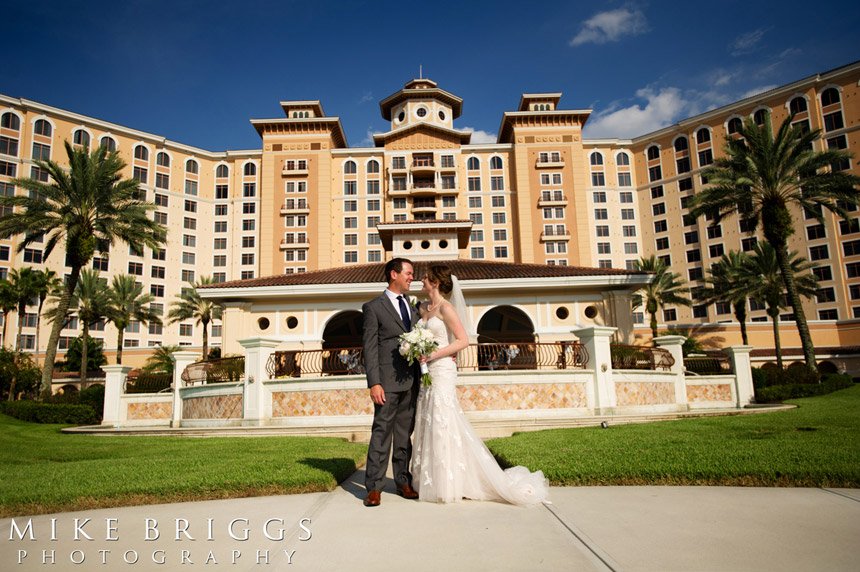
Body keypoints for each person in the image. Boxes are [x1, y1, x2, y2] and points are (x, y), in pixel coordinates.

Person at [412, 264, 550, 506]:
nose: (421, 280)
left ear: (435, 282)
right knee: (427, 419)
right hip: (426, 371)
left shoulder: (446, 308)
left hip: (442, 369)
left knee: (443, 419)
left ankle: (450, 482)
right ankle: (429, 479)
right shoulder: (423, 308)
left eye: (425, 277)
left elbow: (463, 341)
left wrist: (434, 354)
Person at [361, 257, 421, 507]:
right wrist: (374, 382)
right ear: (393, 274)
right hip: (385, 382)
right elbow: (370, 347)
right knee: (381, 433)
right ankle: (374, 487)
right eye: (408, 273)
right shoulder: (373, 307)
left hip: (412, 380)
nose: (411, 277)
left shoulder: (413, 306)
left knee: (404, 434)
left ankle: (403, 482)